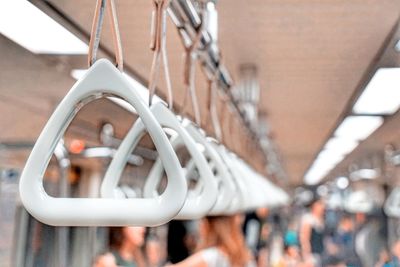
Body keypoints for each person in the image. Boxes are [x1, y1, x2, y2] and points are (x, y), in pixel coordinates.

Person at [166, 215, 256, 267]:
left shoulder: (212, 256)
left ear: (210, 225)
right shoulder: (245, 256)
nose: (199, 227)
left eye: (202, 222)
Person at [300, 198, 325, 266]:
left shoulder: (320, 219)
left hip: (319, 253)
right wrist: (307, 256)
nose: (323, 207)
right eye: (320, 204)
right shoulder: (308, 218)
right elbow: (304, 238)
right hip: (311, 254)